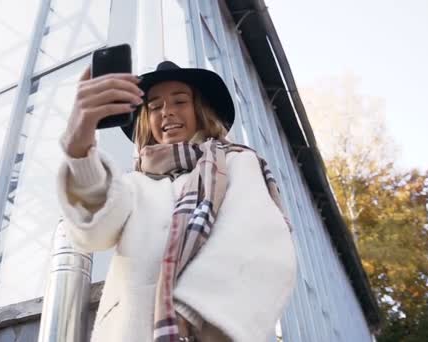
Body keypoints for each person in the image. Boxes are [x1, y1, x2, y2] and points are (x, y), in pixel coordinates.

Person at [57, 61, 297, 341]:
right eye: (155, 106)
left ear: (201, 110)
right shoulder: (134, 184)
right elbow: (95, 230)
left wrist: (190, 312)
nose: (167, 112)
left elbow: (256, 236)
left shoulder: (235, 163)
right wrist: (80, 150)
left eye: (180, 101)